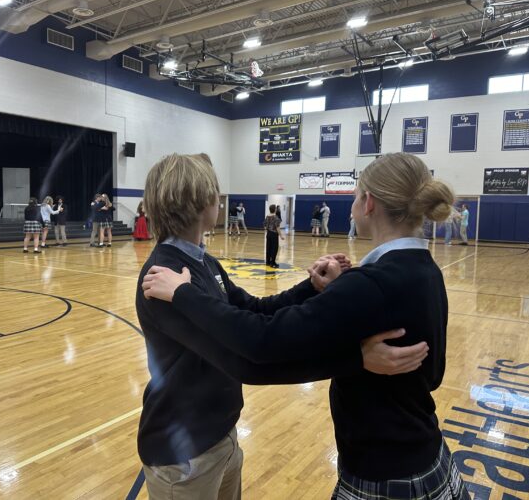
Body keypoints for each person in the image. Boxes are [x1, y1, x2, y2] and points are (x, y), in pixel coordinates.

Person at [142, 152, 469, 500]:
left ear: (368, 203)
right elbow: (247, 352)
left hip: (377, 458)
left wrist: (311, 292)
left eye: (356, 193)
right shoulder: (424, 268)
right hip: (184, 445)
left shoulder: (201, 265)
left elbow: (255, 320)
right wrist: (353, 355)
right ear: (202, 200)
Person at [264, 204, 284, 268]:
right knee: (274, 249)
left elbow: (265, 226)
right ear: (275, 209)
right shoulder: (275, 217)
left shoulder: (267, 216)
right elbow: (277, 227)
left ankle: (268, 262)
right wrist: (281, 235)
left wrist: (268, 230)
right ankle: (272, 263)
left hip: (268, 234)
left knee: (268, 248)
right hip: (274, 234)